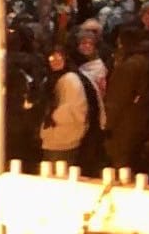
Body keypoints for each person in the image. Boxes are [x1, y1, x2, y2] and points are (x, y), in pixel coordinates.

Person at [104, 29, 149, 177]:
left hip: (126, 125)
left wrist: (107, 124)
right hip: (143, 123)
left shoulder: (131, 64)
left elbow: (118, 98)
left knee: (122, 168)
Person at [40, 43, 103, 173]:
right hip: (59, 137)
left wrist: (52, 116)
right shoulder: (56, 78)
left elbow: (78, 111)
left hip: (63, 138)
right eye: (52, 59)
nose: (55, 61)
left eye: (59, 57)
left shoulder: (70, 79)